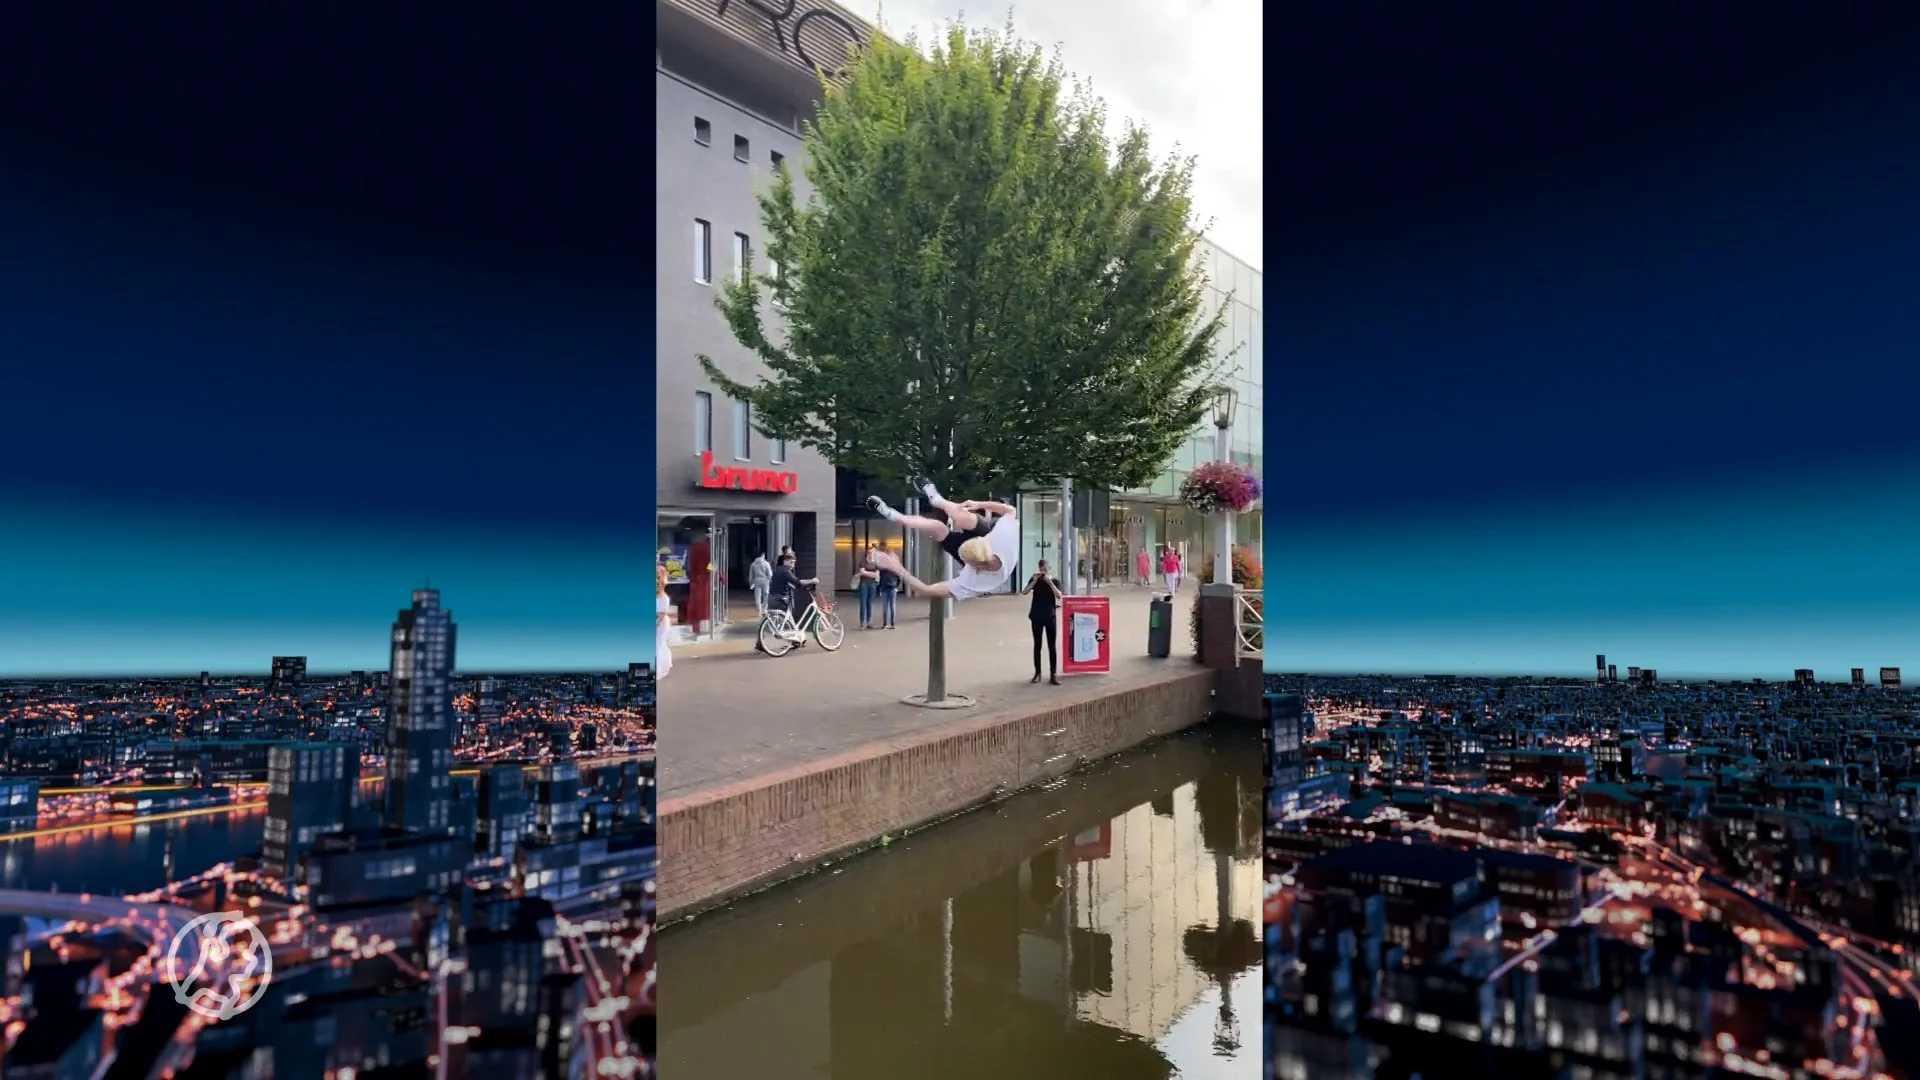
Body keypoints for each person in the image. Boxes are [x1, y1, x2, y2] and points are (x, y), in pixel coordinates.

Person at [866, 477, 1019, 600]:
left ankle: (895, 516)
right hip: (986, 536)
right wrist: (978, 504)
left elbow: (927, 590)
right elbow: (1010, 510)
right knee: (963, 519)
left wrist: (897, 568)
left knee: (938, 528)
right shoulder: (1003, 537)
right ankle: (937, 500)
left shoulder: (973, 582)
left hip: (981, 551)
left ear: (968, 564)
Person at [763, 552, 818, 645]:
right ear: (785, 561)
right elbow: (798, 582)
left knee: (783, 620)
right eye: (791, 562)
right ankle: (795, 639)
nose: (793, 565)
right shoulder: (786, 571)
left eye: (794, 563)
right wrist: (812, 580)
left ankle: (795, 640)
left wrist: (790, 586)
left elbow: (781, 582)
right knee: (787, 619)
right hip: (780, 599)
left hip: (772, 597)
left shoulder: (777, 570)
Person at [1024, 559, 1063, 684]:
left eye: (1045, 569)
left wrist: (1050, 582)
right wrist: (1035, 580)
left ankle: (1053, 674)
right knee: (1037, 645)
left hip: (1050, 615)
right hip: (1036, 615)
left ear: (1049, 569)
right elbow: (1024, 592)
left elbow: (1059, 596)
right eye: (1042, 570)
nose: (1043, 572)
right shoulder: (1035, 579)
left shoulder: (1054, 580)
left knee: (1052, 646)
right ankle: (1037, 673)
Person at [655, 563, 674, 679]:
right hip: (657, 622)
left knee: (657, 645)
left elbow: (661, 615)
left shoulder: (664, 598)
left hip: (660, 624)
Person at [856, 547, 881, 629]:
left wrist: (867, 573)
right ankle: (862, 623)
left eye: (873, 552)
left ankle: (869, 622)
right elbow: (862, 572)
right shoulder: (863, 561)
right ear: (867, 553)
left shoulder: (876, 563)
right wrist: (872, 574)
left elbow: (877, 574)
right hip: (864, 585)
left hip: (872, 585)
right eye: (870, 552)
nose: (872, 554)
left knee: (869, 603)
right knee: (863, 603)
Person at [876, 555, 901, 629]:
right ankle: (893, 624)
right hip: (893, 588)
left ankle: (885, 624)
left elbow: (880, 579)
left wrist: (879, 588)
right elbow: (899, 579)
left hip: (884, 588)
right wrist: (896, 586)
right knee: (892, 606)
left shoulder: (883, 569)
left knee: (885, 607)